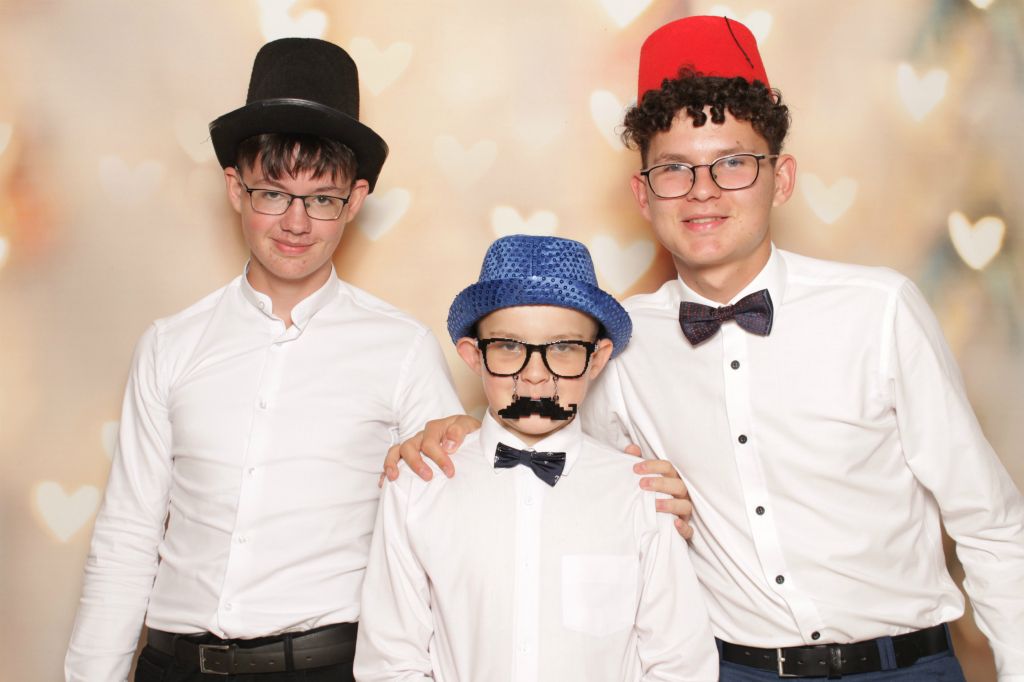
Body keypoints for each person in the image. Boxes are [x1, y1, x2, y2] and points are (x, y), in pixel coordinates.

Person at [389, 16, 1024, 681]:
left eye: (733, 163)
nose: (703, 190)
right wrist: (459, 434)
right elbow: (555, 465)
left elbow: (992, 525)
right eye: (675, 169)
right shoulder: (618, 343)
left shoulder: (879, 311)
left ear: (781, 178)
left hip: (903, 667)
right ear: (643, 195)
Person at [65, 38, 461, 681]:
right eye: (273, 193)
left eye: (322, 198)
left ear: (355, 200)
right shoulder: (170, 345)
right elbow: (126, 538)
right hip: (174, 667)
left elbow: (448, 537)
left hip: (327, 667)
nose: (296, 223)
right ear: (236, 189)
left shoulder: (403, 349)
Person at [354, 234, 718, 680]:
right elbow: (391, 660)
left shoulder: (641, 493)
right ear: (473, 355)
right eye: (509, 346)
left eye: (563, 348)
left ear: (597, 358)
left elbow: (680, 664)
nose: (534, 375)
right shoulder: (416, 486)